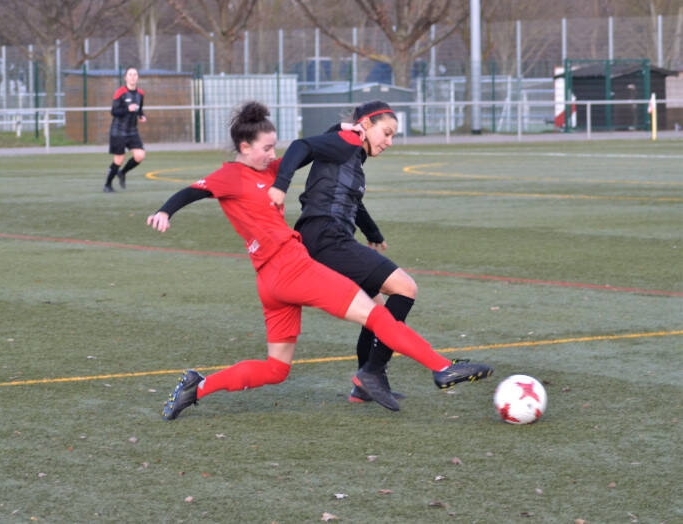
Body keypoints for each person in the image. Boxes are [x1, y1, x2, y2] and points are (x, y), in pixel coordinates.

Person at [147, 101, 493, 421]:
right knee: (376, 315)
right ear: (244, 147)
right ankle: (441, 366)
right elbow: (193, 191)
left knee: (276, 369)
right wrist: (165, 211)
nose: (273, 154)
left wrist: (343, 129)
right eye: (267, 148)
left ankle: (197, 387)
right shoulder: (231, 176)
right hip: (292, 268)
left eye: (274, 147)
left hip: (270, 281)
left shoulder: (268, 171)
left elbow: (311, 149)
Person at [270, 100, 470, 411]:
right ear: (365, 124)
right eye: (386, 133)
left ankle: (364, 385)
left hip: (327, 237)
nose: (389, 142)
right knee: (405, 288)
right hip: (326, 238)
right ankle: (372, 372)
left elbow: (352, 200)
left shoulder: (350, 151)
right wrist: (280, 185)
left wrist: (373, 232)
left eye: (393, 136)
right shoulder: (347, 141)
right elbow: (300, 145)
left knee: (376, 311)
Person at [103, 67, 146, 193]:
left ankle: (122, 173)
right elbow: (114, 111)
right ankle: (107, 185)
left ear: (137, 77)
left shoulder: (140, 93)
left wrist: (141, 115)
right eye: (130, 74)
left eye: (135, 74)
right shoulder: (120, 92)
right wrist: (128, 109)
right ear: (125, 78)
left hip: (132, 130)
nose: (132, 77)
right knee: (119, 160)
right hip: (118, 131)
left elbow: (139, 109)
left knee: (140, 155)